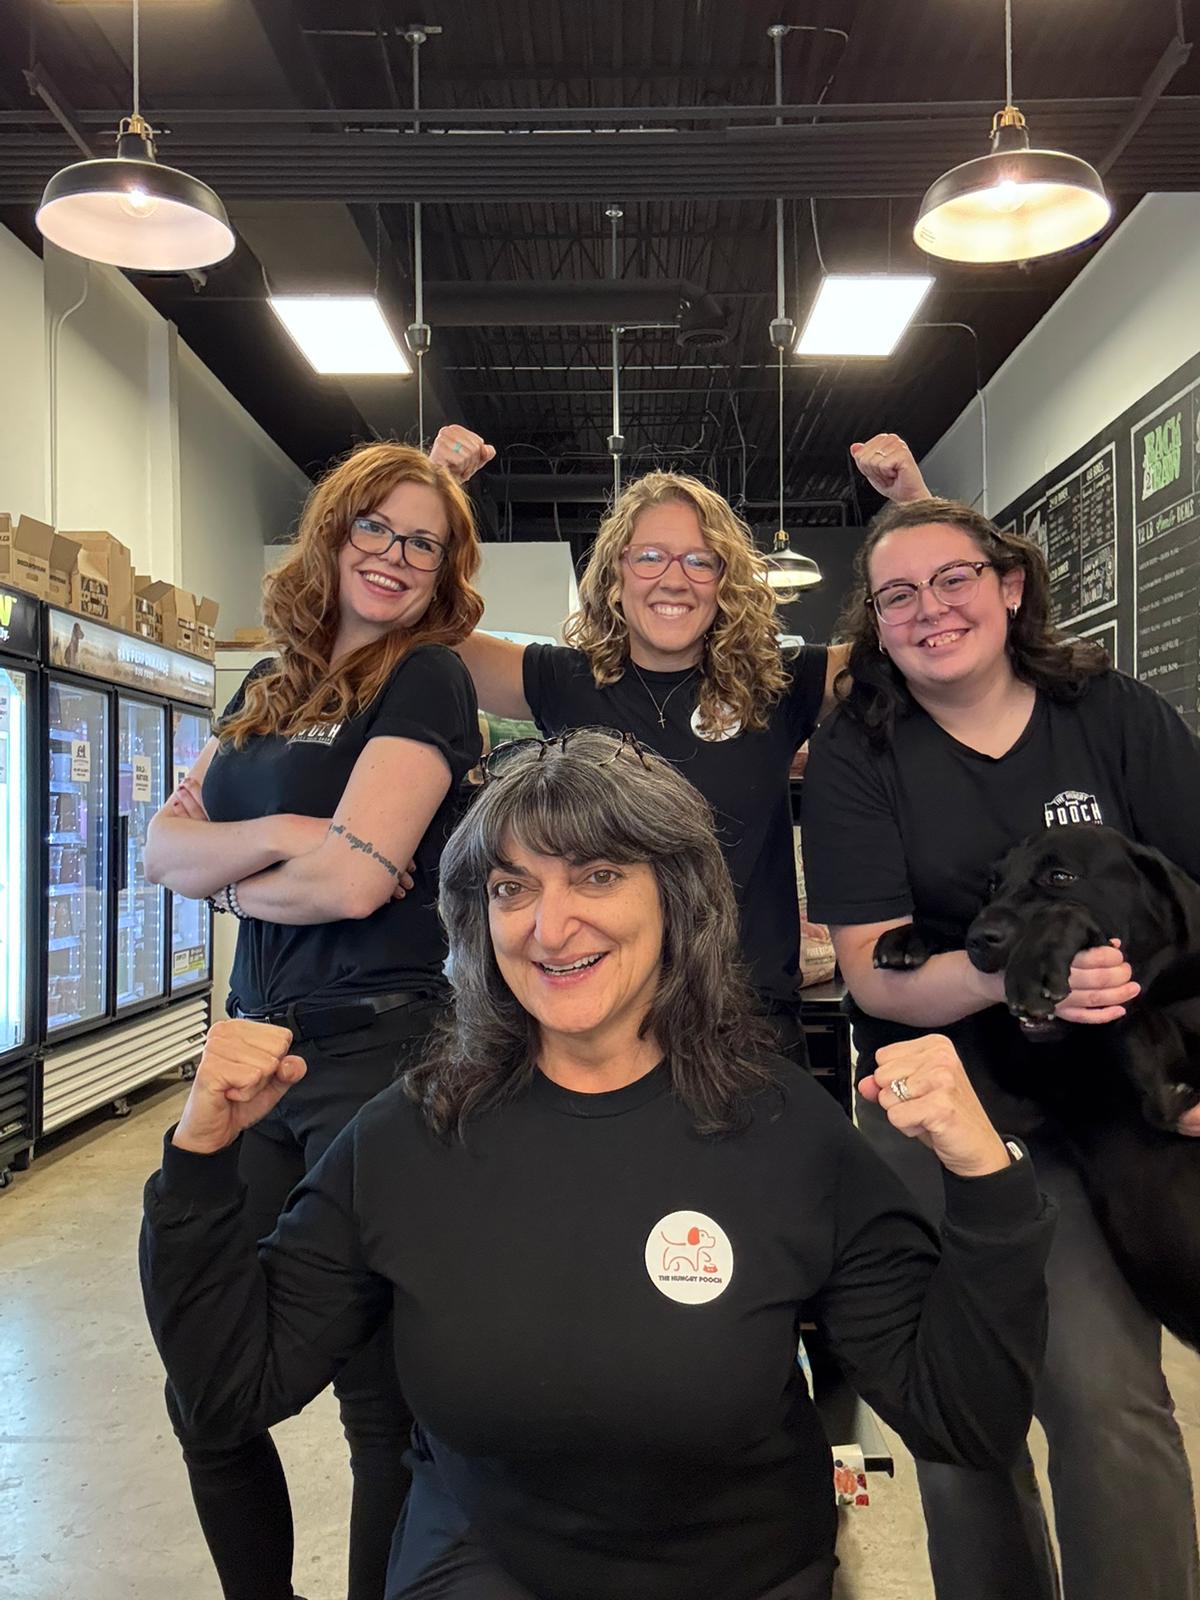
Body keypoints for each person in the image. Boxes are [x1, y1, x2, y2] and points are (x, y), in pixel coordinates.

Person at [142, 728, 1055, 1600]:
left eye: (599, 875)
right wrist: (200, 1159)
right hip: (483, 1564)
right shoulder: (410, 1135)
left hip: (743, 1576)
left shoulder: (785, 1130)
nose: (550, 926)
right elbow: (230, 1390)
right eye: (512, 888)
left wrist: (986, 1182)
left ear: (678, 899)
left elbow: (960, 1417)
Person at [800, 495, 1200, 1600]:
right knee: (959, 1412)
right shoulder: (860, 750)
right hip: (937, 1098)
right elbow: (874, 971)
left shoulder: (1107, 712)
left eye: (954, 580)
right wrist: (1016, 974)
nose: (930, 610)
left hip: (1112, 1096)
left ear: (1010, 586)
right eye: (897, 595)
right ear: (875, 623)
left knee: (1105, 1396)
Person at [143, 443, 484, 1600]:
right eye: (374, 527)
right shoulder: (267, 683)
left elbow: (355, 883)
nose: (394, 554)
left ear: (444, 570)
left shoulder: (425, 679)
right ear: (333, 533)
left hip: (381, 1051)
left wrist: (231, 878)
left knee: (380, 1402)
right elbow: (159, 848)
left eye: (423, 541)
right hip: (250, 1051)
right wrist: (292, 839)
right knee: (205, 1385)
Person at [426, 426, 929, 1066]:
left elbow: (919, 632)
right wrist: (435, 493)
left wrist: (913, 503)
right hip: (604, 1029)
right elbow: (426, 629)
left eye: (699, 560)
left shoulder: (776, 683)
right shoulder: (562, 679)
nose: (674, 578)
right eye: (650, 557)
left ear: (724, 581)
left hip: (746, 1024)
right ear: (615, 575)